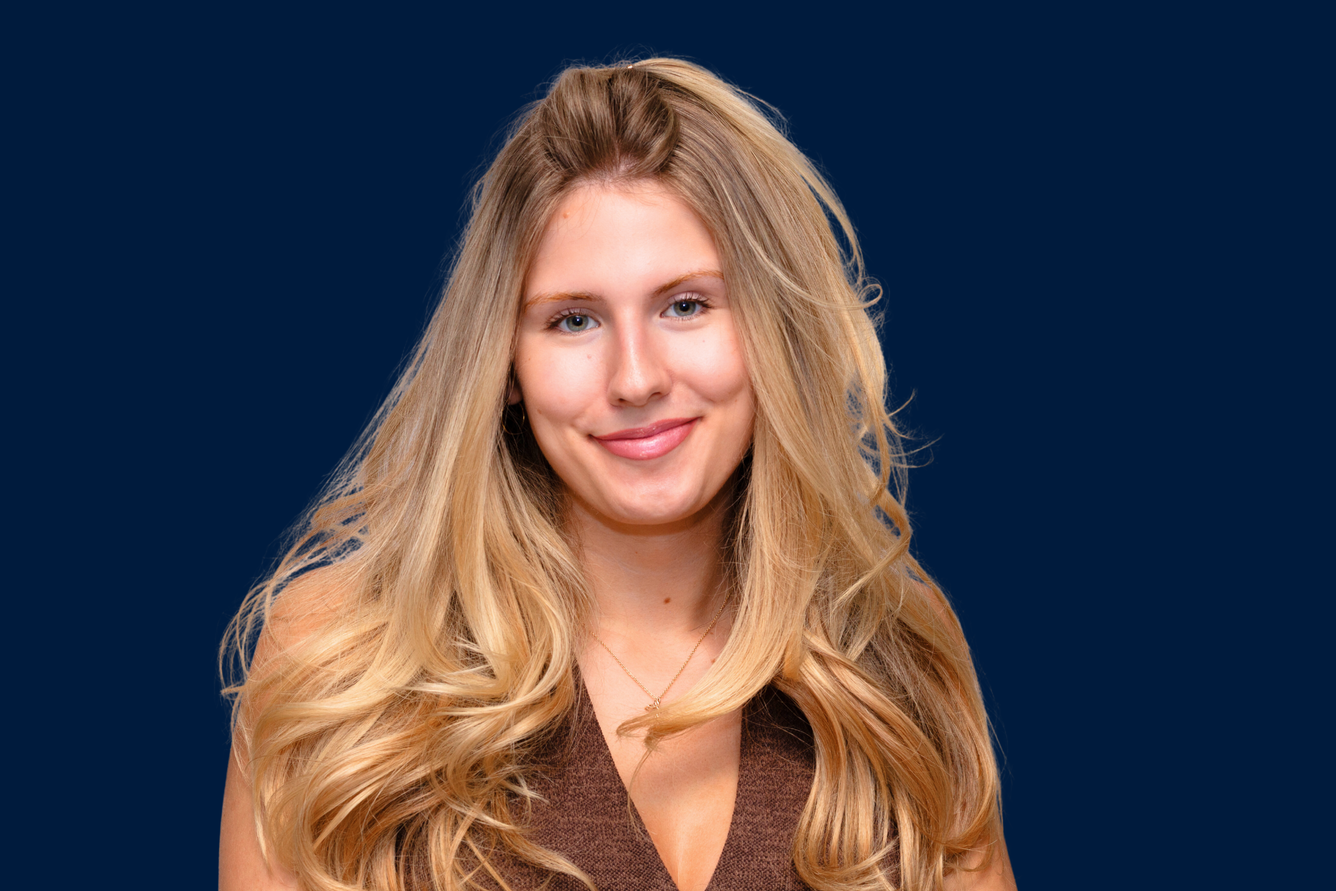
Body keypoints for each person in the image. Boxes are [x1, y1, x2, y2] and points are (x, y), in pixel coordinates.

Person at [219, 58, 1015, 891]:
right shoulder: (341, 666)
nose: (635, 377)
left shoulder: (891, 657)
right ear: (507, 367)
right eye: (573, 319)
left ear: (773, 329)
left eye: (686, 305)